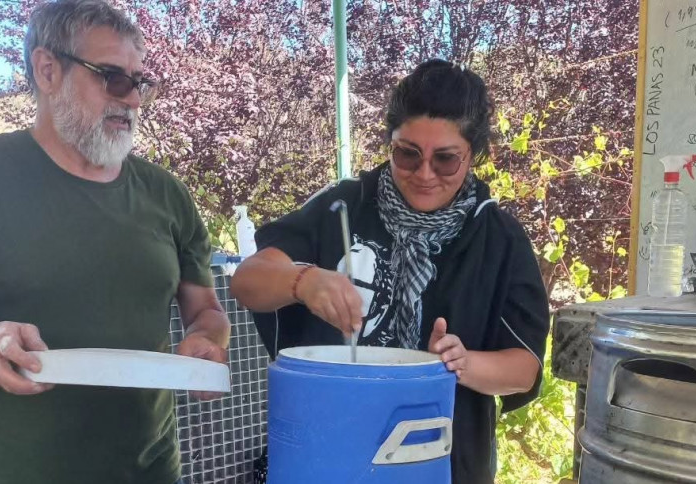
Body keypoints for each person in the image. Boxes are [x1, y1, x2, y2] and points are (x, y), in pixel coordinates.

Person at [0, 1, 230, 483]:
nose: (133, 99)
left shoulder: (167, 193)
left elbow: (207, 311)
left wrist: (206, 340)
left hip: (153, 471)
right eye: (112, 77)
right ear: (47, 70)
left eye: (140, 82)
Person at [232, 59, 550, 484]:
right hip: (330, 453)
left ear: (473, 154)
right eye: (408, 154)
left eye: (445, 160)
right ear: (390, 143)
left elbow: (523, 368)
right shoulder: (343, 206)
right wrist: (302, 281)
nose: (423, 174)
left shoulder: (498, 238)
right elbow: (248, 280)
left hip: (442, 461)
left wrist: (461, 362)